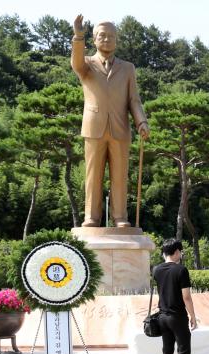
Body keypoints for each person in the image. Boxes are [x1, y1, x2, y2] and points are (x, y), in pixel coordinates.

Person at [71, 15, 149, 227]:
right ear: (94, 39)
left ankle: (120, 217)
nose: (106, 39)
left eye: (111, 36)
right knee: (93, 175)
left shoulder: (128, 68)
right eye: (102, 36)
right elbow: (76, 63)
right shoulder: (87, 64)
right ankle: (91, 217)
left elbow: (134, 99)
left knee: (120, 176)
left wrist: (141, 122)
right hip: (93, 127)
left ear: (117, 40)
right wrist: (78, 37)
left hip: (120, 128)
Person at [153, 239, 200, 354]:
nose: (181, 254)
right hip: (177, 316)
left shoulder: (156, 270)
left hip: (162, 317)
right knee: (183, 351)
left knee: (167, 352)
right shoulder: (181, 270)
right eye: (180, 251)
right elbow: (186, 297)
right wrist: (193, 316)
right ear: (176, 252)